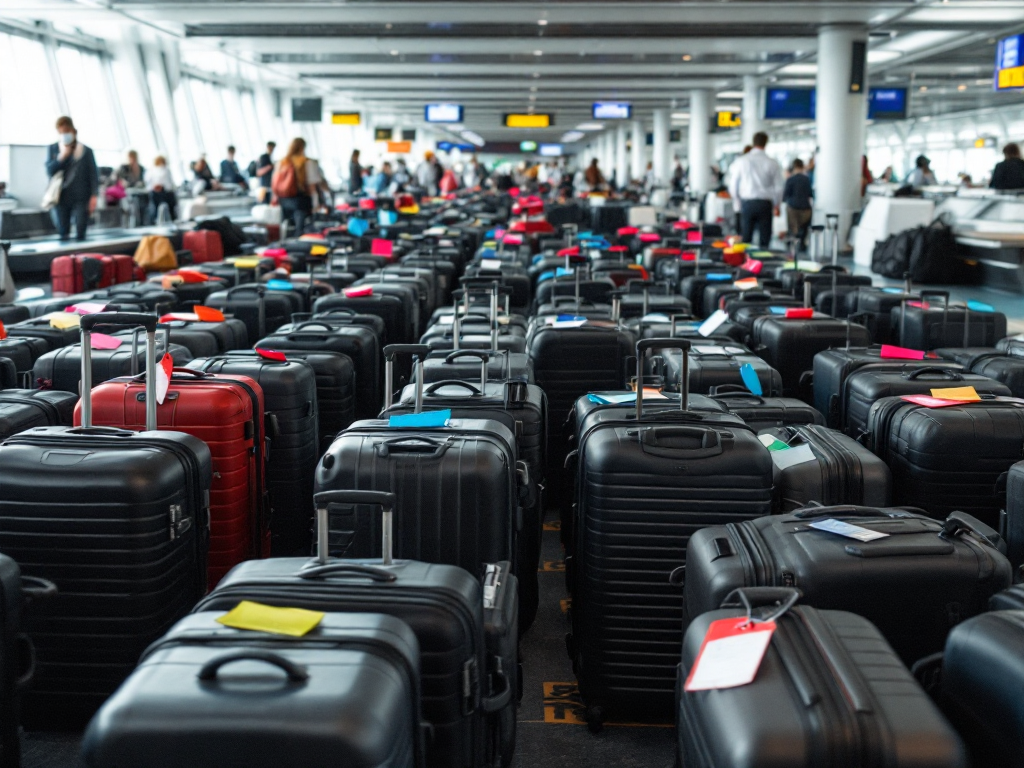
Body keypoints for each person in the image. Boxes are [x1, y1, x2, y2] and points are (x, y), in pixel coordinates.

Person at [45, 116, 98, 242]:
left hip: (82, 195)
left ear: (73, 131)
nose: (64, 134)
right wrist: (62, 157)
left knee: (81, 229)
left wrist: (94, 195)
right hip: (61, 195)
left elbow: (93, 173)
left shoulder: (85, 150)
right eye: (61, 132)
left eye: (67, 131)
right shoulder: (54, 148)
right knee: (63, 231)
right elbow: (50, 171)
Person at [727, 131, 783, 248]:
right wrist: (777, 204)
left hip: (747, 203)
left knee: (746, 239)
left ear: (753, 142)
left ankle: (746, 259)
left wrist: (737, 203)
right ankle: (764, 258)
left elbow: (733, 185)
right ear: (766, 143)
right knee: (765, 240)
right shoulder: (772, 163)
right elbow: (778, 187)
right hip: (765, 204)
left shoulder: (742, 161)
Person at [272, 137, 319, 233]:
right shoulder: (306, 162)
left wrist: (274, 198)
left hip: (284, 200)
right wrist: (316, 203)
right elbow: (311, 186)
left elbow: (275, 182)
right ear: (303, 148)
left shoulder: (282, 162)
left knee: (285, 229)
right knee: (301, 229)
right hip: (301, 201)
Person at [783, 159, 814, 251]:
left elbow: (785, 196)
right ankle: (802, 246)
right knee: (803, 230)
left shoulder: (790, 179)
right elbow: (810, 194)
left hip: (793, 209)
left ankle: (792, 248)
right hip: (806, 209)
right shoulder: (807, 179)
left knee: (793, 231)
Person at [146, 155, 177, 222]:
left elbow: (169, 184)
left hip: (163, 192)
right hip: (158, 192)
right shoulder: (153, 171)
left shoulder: (164, 170)